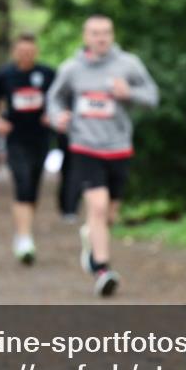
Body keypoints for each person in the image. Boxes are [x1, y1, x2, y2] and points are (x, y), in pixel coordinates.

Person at [47, 15, 159, 296]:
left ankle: (92, 239)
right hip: (84, 146)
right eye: (95, 33)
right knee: (97, 206)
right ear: (86, 37)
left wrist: (129, 92)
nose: (101, 38)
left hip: (119, 146)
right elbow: (54, 98)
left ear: (112, 35)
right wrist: (58, 117)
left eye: (106, 32)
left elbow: (152, 96)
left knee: (109, 213)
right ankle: (102, 269)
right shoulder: (72, 69)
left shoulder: (128, 64)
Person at [0, 33, 56, 264]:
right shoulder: (5, 74)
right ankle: (25, 238)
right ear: (14, 52)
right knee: (22, 182)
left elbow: (60, 99)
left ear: (36, 52)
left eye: (30, 51)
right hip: (15, 139)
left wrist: (52, 114)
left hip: (40, 138)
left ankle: (23, 231)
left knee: (33, 187)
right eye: (22, 51)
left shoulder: (47, 74)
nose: (26, 55)